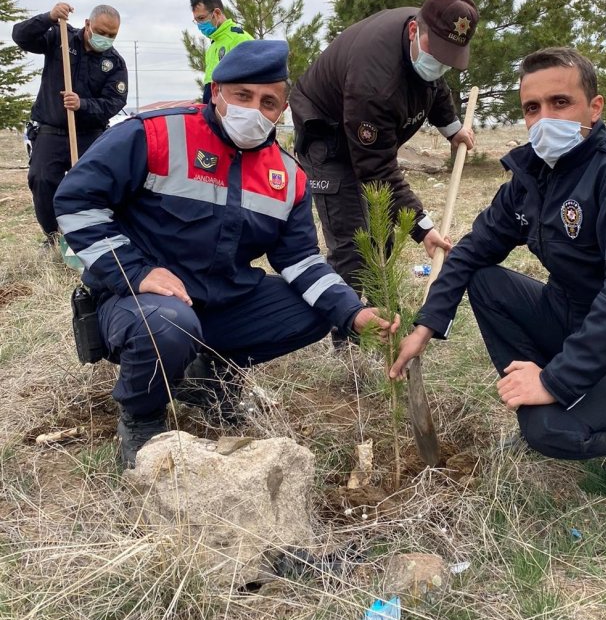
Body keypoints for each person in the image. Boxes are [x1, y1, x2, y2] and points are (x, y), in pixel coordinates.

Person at [54, 39, 397, 467]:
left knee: (318, 310)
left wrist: (353, 313)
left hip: (221, 301)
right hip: (136, 300)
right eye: (243, 95)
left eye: (268, 102)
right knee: (167, 323)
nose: (255, 110)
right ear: (217, 91)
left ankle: (208, 373)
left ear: (282, 110)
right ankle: (142, 416)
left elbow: (302, 260)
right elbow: (76, 200)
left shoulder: (287, 176)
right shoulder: (156, 133)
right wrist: (134, 272)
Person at [391, 47, 606, 482]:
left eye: (560, 103)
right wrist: (426, 324)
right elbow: (473, 250)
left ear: (595, 107)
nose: (544, 119)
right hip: (583, 318)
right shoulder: (533, 177)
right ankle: (550, 389)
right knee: (487, 282)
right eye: (533, 108)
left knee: (551, 431)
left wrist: (555, 382)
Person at [289, 0, 479, 294]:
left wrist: (452, 128)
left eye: (449, 59)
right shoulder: (375, 83)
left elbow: (434, 83)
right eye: (438, 55)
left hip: (366, 133)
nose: (441, 64)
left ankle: (379, 311)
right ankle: (347, 332)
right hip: (328, 133)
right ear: (414, 31)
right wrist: (424, 229)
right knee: (354, 243)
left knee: (380, 232)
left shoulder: (432, 31)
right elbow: (376, 170)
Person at [12, 2, 128, 245]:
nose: (105, 38)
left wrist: (82, 104)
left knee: (93, 186)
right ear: (87, 24)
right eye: (101, 32)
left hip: (89, 134)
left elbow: (114, 101)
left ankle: (89, 236)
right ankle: (53, 237)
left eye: (112, 35)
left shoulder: (114, 62)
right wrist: (48, 17)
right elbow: (21, 36)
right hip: (50, 130)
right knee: (41, 180)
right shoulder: (60, 37)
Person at [190, 0, 253, 103]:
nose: (200, 25)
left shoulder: (239, 39)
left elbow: (249, 85)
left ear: (217, 13)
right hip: (213, 109)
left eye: (201, 18)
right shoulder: (213, 46)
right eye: (196, 21)